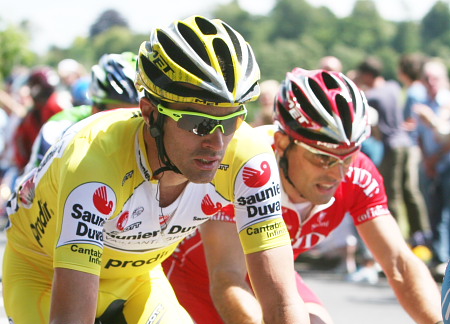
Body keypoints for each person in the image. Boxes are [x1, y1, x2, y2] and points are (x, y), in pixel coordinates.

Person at [2, 16, 308, 324]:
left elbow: (282, 301)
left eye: (231, 121)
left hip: (138, 277)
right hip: (43, 273)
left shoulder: (249, 157)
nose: (216, 142)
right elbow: (71, 318)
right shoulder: (95, 160)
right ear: (150, 113)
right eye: (198, 123)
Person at [162, 68, 443, 324]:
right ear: (283, 143)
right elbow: (227, 278)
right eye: (322, 158)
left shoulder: (358, 173)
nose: (337, 173)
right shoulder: (242, 165)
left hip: (273, 277)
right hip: (196, 278)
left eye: (347, 157)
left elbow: (400, 264)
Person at [23, 51, 140, 173]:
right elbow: (32, 185)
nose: (132, 125)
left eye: (139, 116)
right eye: (121, 116)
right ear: (96, 108)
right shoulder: (59, 128)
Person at [357, 57, 429, 242]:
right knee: (410, 191)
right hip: (405, 142)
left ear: (367, 75)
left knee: (392, 193)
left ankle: (397, 237)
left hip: (391, 145)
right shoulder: (394, 87)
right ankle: (421, 233)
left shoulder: (373, 96)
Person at [414, 59, 450, 276]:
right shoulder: (422, 101)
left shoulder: (446, 101)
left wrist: (434, 160)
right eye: (427, 79)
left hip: (445, 163)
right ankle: (439, 256)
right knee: (433, 212)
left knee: (446, 213)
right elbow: (419, 134)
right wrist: (426, 160)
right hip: (430, 164)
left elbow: (445, 136)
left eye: (434, 78)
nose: (430, 83)